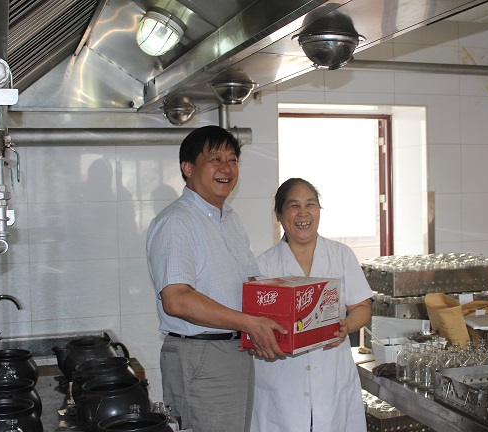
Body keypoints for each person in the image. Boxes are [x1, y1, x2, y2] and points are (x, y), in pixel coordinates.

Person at [146, 125, 287, 432]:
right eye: (215, 159)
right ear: (188, 168)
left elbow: (252, 285)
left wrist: (290, 311)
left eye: (232, 159)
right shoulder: (176, 221)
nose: (227, 168)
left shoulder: (229, 219)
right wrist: (250, 324)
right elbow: (176, 299)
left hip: (235, 348)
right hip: (201, 354)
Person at [251, 178, 372, 432]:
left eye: (310, 204)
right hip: (283, 387)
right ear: (279, 214)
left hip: (331, 380)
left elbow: (362, 307)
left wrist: (346, 325)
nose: (303, 213)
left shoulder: (341, 255)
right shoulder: (263, 266)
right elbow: (254, 327)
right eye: (294, 205)